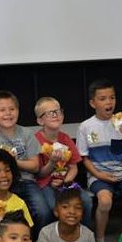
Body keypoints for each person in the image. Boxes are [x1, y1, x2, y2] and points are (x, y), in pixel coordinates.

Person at [76, 79, 122, 242]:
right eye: (103, 99)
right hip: (99, 175)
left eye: (112, 98)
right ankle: (100, 240)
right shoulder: (86, 127)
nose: (109, 102)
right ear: (93, 103)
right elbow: (84, 159)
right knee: (105, 201)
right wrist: (99, 175)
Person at [0, 90, 46, 236]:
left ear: (18, 111)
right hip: (1, 185)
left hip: (26, 182)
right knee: (1, 214)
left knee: (42, 211)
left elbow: (35, 166)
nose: (8, 113)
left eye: (12, 109)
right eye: (2, 110)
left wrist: (13, 161)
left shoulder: (27, 133)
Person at [33, 96, 94, 228]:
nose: (55, 115)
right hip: (45, 184)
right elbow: (39, 174)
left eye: (58, 111)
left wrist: (66, 181)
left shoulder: (65, 139)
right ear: (40, 120)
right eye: (50, 113)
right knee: (52, 207)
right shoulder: (35, 141)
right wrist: (52, 162)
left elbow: (73, 167)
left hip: (66, 183)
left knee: (86, 201)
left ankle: (84, 235)